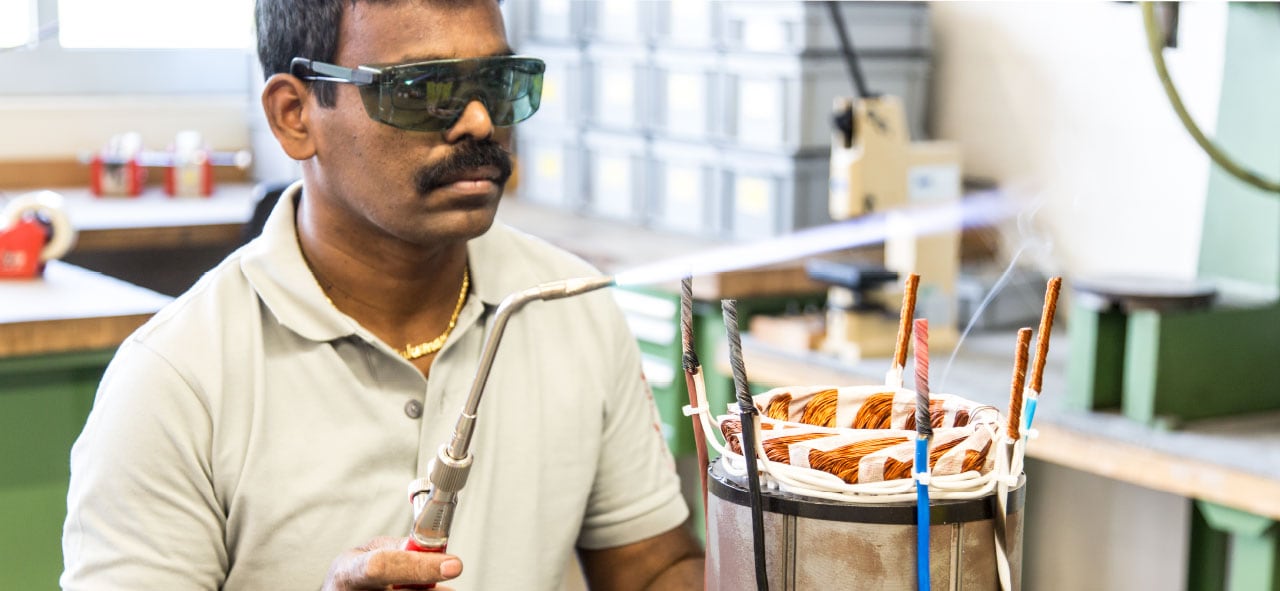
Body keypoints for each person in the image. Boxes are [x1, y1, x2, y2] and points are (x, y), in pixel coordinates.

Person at [60, 0, 704, 588]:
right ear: (295, 116)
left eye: (499, 84)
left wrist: (787, 546)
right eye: (423, 90)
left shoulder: (570, 307)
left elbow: (652, 569)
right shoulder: (176, 381)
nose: (479, 121)